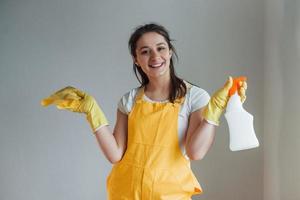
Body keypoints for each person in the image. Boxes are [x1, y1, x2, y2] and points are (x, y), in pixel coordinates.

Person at [41, 23, 247, 200]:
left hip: (169, 196)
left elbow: (196, 151)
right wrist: (92, 111)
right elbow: (115, 154)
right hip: (125, 193)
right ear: (136, 59)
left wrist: (214, 112)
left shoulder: (195, 97)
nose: (155, 56)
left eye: (161, 48)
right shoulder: (129, 100)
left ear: (170, 51)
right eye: (145, 51)